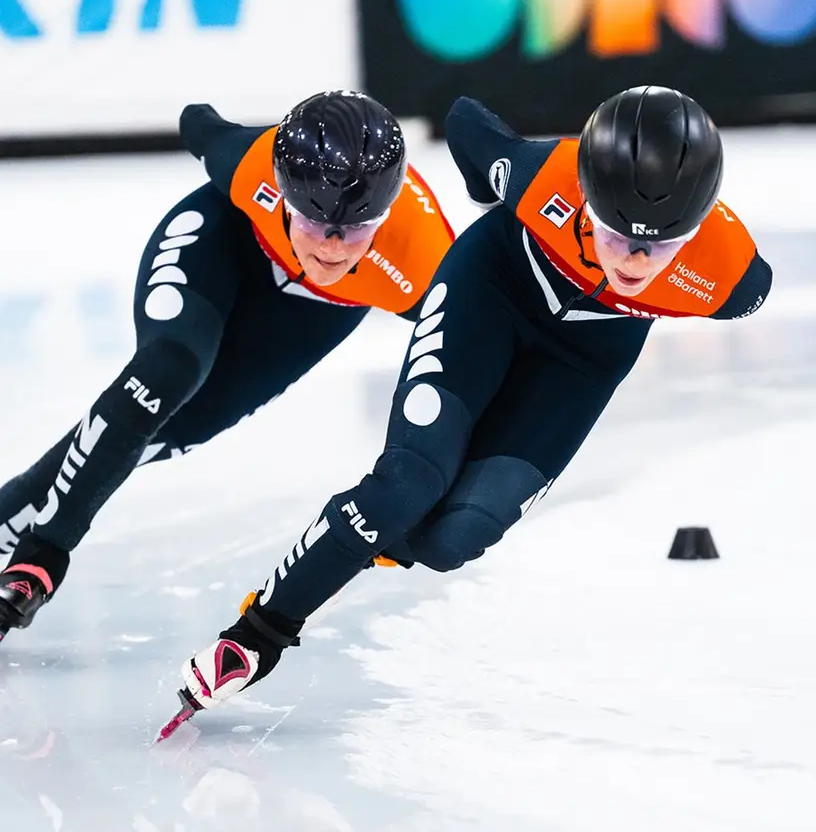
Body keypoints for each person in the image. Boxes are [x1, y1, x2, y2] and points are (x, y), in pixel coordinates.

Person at [155, 84, 773, 733]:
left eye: (661, 245)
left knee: (454, 536)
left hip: (583, 361)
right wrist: (490, 198)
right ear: (585, 197)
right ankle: (258, 633)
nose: (636, 260)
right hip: (492, 289)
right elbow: (465, 123)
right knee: (409, 481)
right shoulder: (542, 180)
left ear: (698, 227)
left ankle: (353, 538)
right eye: (616, 235)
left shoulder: (734, 280)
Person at [0, 90, 455, 641]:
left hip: (311, 316)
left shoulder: (425, 264)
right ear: (283, 193)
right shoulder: (251, 163)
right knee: (167, 370)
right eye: (313, 222)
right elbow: (201, 124)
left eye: (358, 229)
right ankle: (42, 558)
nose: (332, 249)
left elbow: (485, 359)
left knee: (164, 433)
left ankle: (22, 544)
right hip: (223, 246)